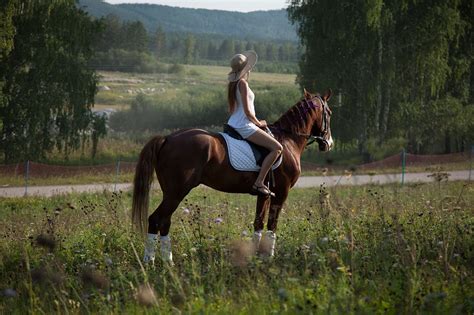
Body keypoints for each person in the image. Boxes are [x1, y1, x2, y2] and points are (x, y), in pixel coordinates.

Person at [227, 51, 283, 197]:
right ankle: (259, 183)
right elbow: (247, 111)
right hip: (244, 125)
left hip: (234, 123)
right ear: (246, 68)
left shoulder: (233, 83)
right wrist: (259, 123)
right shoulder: (243, 83)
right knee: (277, 148)